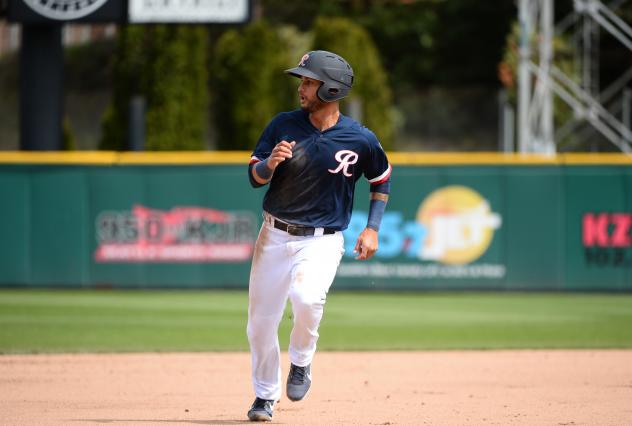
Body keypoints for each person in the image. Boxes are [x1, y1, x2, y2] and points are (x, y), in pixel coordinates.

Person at [245, 50, 392, 422]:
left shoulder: (359, 138)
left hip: (323, 239)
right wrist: (269, 164)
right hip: (274, 234)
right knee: (261, 324)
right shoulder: (283, 125)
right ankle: (264, 397)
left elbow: (381, 178)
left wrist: (372, 227)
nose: (302, 88)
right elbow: (254, 176)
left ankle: (301, 361)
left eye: (309, 81)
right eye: (303, 81)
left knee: (307, 299)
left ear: (331, 88)